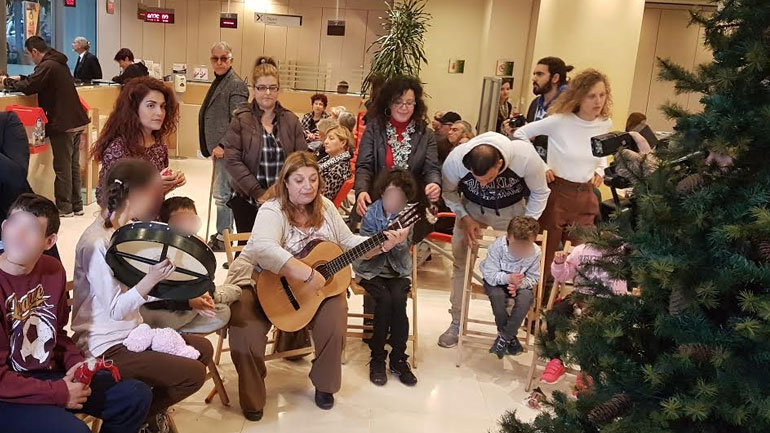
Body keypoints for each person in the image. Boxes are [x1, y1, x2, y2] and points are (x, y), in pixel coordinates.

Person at [224, 152, 409, 420]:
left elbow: (348, 243)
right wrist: (306, 274)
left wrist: (381, 244)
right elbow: (263, 247)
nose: (307, 186)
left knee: (335, 318)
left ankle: (325, 386)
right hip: (260, 281)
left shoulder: (325, 207)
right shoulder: (272, 209)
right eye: (298, 180)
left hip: (314, 292)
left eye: (313, 179)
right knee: (245, 330)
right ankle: (252, 398)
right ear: (285, 182)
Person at [71, 159, 213, 432]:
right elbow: (115, 309)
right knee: (193, 375)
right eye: (154, 193)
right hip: (103, 346)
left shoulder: (123, 231)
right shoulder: (95, 242)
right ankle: (137, 418)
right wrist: (151, 279)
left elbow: (136, 292)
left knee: (202, 349)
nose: (157, 200)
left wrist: (183, 295)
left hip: (131, 334)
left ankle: (143, 418)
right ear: (136, 195)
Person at [0, 193, 152, 433]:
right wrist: (59, 392)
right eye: (15, 224)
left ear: (49, 242)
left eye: (30, 229)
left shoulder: (53, 270)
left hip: (47, 374)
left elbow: (56, 333)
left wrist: (77, 364)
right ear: (4, 226)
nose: (18, 235)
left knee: (134, 396)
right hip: (8, 394)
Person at [438, 131, 550, 348]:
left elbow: (540, 192)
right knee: (461, 264)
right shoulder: (456, 159)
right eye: (478, 179)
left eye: (489, 178)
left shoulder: (525, 157)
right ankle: (456, 322)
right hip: (471, 209)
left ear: (500, 164)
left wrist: (526, 225)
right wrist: (464, 216)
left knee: (515, 267)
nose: (485, 184)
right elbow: (448, 192)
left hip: (511, 211)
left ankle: (508, 328)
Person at [514, 69, 613, 284]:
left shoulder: (605, 124)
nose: (598, 101)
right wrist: (541, 165)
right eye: (592, 96)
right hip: (556, 193)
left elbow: (601, 151)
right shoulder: (560, 121)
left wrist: (600, 168)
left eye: (602, 95)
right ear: (579, 96)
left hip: (585, 194)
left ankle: (573, 310)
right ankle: (535, 310)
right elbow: (520, 133)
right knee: (544, 258)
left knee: (585, 260)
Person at [0, 36, 90, 218]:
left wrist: (7, 82)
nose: (30, 59)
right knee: (72, 165)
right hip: (76, 120)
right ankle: (77, 205)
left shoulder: (48, 65)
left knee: (63, 166)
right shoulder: (57, 62)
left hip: (62, 122)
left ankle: (65, 208)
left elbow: (31, 86)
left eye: (29, 54)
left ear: (34, 51)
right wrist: (22, 77)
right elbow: (38, 80)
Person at [223, 56, 307, 235]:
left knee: (279, 250)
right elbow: (232, 160)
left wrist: (279, 190)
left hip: (283, 200)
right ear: (253, 89)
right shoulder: (241, 118)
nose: (267, 93)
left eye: (272, 88)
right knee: (248, 250)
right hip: (248, 200)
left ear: (278, 89)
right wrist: (258, 192)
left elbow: (302, 160)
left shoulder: (291, 120)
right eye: (261, 88)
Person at [139, 196, 241, 334]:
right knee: (148, 316)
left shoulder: (199, 248)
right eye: (179, 221)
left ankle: (210, 300)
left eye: (191, 220)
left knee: (224, 312)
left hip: (187, 307)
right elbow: (155, 298)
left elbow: (206, 281)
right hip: (162, 310)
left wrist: (205, 294)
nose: (186, 226)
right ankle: (175, 330)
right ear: (165, 224)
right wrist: (189, 302)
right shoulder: (158, 252)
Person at [354, 168, 418, 387]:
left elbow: (405, 251)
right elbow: (362, 249)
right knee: (384, 301)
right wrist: (384, 246)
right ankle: (378, 356)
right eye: (390, 195)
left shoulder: (408, 215)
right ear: (382, 193)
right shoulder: (372, 213)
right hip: (371, 270)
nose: (393, 201)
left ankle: (399, 357)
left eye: (399, 198)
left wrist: (400, 243)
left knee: (399, 301)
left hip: (397, 270)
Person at [354, 76, 441, 223]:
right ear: (388, 103)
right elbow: (364, 166)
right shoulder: (374, 129)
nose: (404, 107)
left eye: (409, 102)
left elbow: (431, 168)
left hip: (411, 206)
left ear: (416, 104)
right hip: (377, 200)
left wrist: (434, 183)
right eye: (398, 102)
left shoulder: (426, 134)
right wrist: (361, 191)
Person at [540, 238, 628, 385]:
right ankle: (556, 360)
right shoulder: (581, 249)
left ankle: (587, 370)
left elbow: (623, 284)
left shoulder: (621, 251)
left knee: (590, 325)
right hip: (579, 294)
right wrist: (559, 263)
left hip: (605, 298)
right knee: (554, 315)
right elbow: (563, 275)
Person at [92, 76, 185, 205]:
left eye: (162, 106)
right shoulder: (118, 149)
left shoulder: (159, 146)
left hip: (153, 221)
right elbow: (105, 198)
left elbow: (155, 196)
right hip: (127, 223)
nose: (159, 112)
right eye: (151, 105)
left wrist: (170, 184)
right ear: (134, 109)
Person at [198, 41, 249, 252]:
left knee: (223, 196)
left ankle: (223, 237)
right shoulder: (220, 81)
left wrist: (221, 145)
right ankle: (223, 233)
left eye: (223, 58)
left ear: (231, 60)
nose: (218, 62)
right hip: (220, 151)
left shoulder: (235, 84)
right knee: (222, 195)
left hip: (228, 151)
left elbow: (239, 122)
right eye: (215, 58)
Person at [479, 216, 541, 358]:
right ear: (508, 237)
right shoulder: (497, 247)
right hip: (496, 281)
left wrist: (519, 285)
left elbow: (533, 277)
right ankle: (511, 339)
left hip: (519, 284)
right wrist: (508, 278)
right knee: (497, 296)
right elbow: (489, 274)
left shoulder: (535, 253)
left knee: (526, 299)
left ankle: (504, 338)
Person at [504, 57, 573, 160]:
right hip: (534, 164)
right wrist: (516, 132)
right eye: (534, 74)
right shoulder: (535, 104)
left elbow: (570, 142)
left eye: (540, 74)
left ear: (555, 78)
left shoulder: (569, 107)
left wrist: (536, 136)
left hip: (556, 170)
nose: (534, 79)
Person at [319, 126, 353, 200]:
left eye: (331, 138)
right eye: (326, 138)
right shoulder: (331, 159)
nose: (325, 142)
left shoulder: (338, 170)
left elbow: (324, 198)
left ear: (343, 143)